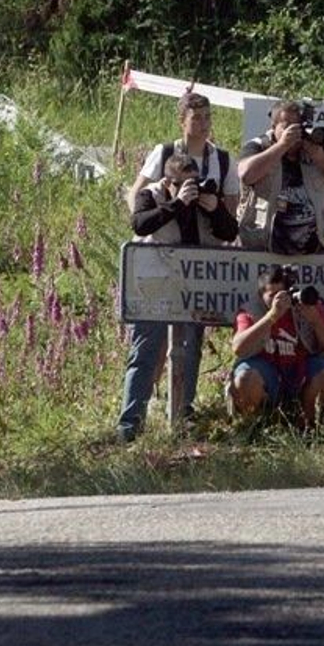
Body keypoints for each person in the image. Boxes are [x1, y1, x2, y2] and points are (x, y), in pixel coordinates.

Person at [115, 153, 239, 443]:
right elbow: (141, 224)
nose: (192, 188)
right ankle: (130, 423)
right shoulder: (152, 194)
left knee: (190, 349)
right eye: (184, 184)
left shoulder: (204, 197)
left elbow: (229, 231)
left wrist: (216, 208)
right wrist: (177, 204)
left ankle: (183, 413)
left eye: (193, 182)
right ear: (169, 182)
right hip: (154, 286)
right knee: (144, 352)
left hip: (192, 286)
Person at [237, 99, 324, 254]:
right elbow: (246, 174)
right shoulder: (259, 145)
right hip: (264, 248)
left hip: (312, 251)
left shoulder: (315, 147)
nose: (295, 131)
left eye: (298, 125)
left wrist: (320, 157)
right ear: (273, 127)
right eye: (287, 126)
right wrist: (281, 146)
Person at [229, 267, 324, 428]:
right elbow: (239, 349)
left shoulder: (305, 305)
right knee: (245, 378)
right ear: (261, 296)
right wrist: (271, 317)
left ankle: (307, 423)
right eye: (273, 296)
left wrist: (316, 321)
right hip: (266, 370)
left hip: (300, 370)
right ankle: (255, 425)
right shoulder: (250, 310)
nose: (280, 299)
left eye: (283, 294)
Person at [128, 92, 239, 219]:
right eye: (196, 117)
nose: (204, 123)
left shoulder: (223, 159)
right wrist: (142, 223)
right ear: (182, 121)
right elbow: (135, 194)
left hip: (208, 236)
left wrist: (215, 207)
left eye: (207, 117)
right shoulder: (165, 152)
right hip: (167, 235)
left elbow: (232, 209)